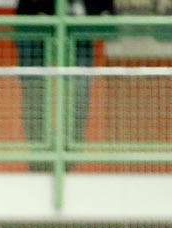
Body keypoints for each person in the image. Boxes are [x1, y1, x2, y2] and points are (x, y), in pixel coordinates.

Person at [13, 0, 114, 170]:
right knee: (34, 99)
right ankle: (39, 158)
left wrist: (92, 21)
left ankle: (68, 158)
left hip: (79, 41)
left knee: (78, 98)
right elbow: (26, 16)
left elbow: (110, 24)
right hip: (34, 42)